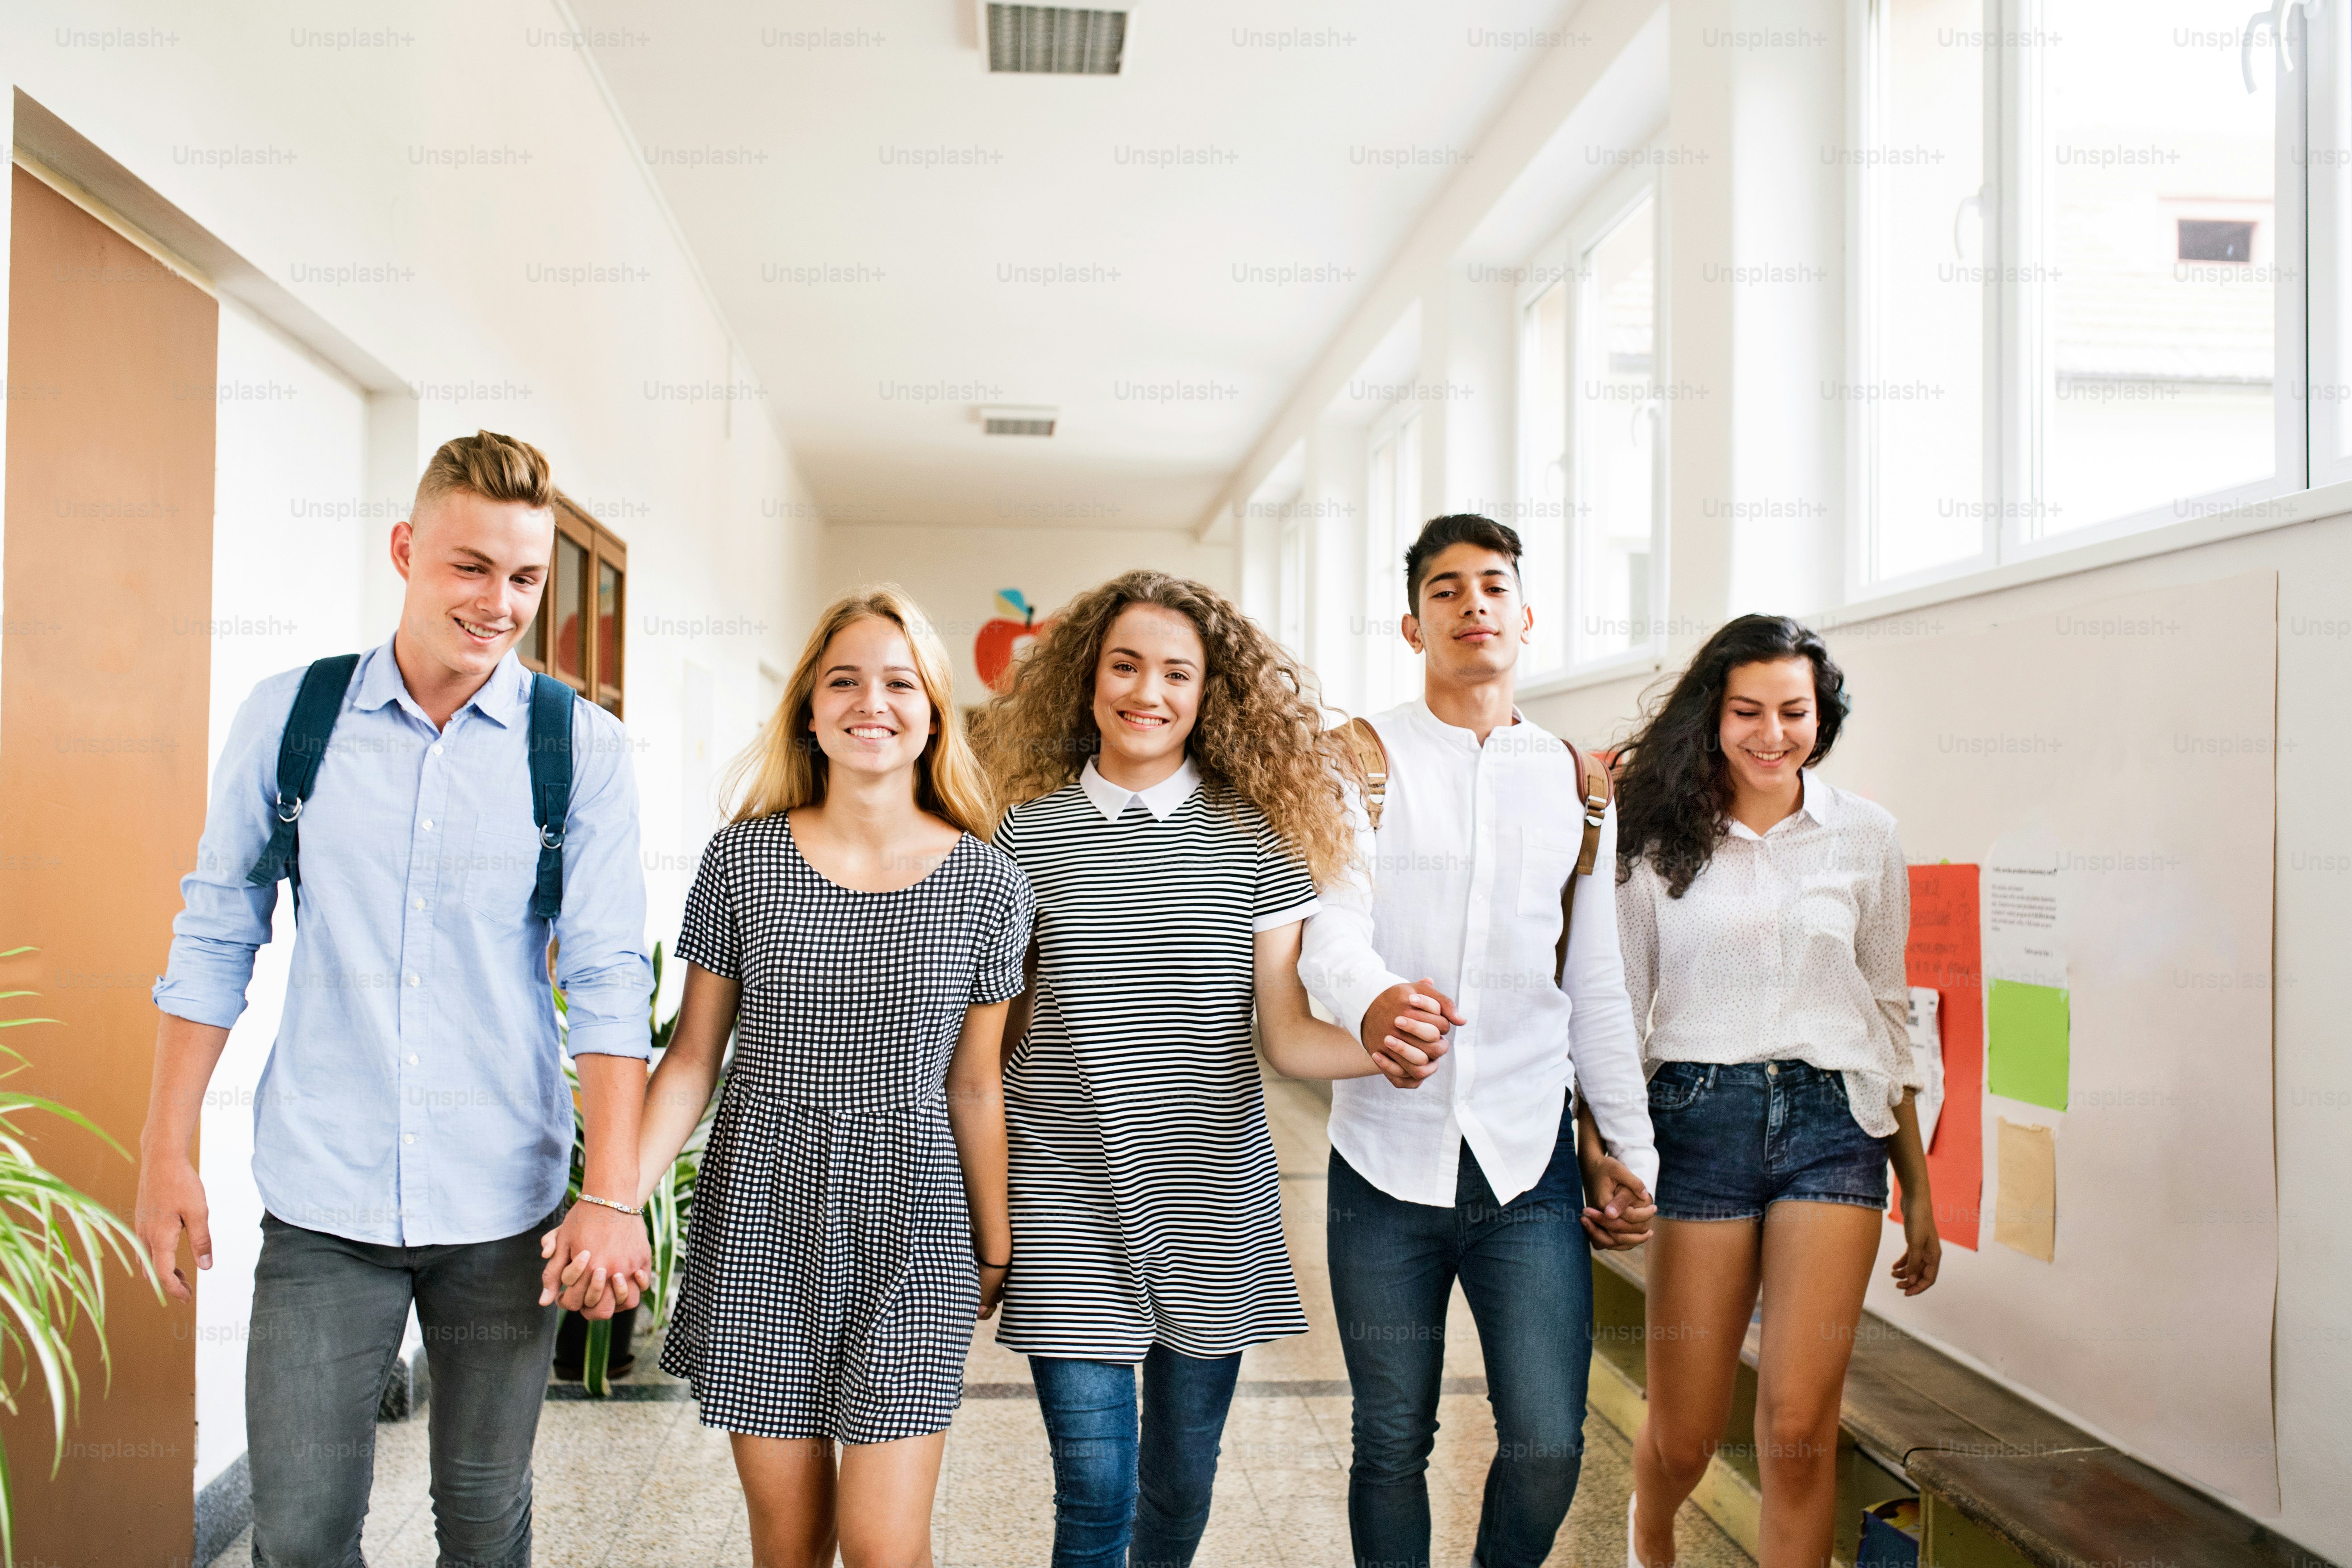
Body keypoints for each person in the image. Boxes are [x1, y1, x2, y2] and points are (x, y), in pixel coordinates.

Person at [134, 430, 653, 1567]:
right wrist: (165, 1148)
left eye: (525, 577)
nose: (501, 602)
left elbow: (613, 977)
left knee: (482, 1519)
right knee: (303, 1532)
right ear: (407, 549)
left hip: (503, 1206)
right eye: (472, 567)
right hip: (326, 1200)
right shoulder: (293, 718)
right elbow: (218, 930)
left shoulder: (580, 749)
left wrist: (611, 1192)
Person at [614, 586, 1033, 1568]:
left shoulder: (988, 881)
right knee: (791, 1543)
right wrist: (617, 1197)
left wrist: (997, 1238)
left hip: (917, 1218)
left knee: (887, 1546)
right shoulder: (742, 860)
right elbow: (691, 1060)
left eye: (899, 682)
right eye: (843, 680)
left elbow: (976, 1084)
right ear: (808, 706)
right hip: (760, 1210)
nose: (870, 702)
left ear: (933, 712)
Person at [972, 570, 1378, 1568]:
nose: (1147, 691)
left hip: (1209, 1202)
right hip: (1063, 1193)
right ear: (1087, 681)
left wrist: (1388, 1046)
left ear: (1209, 694)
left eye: (1175, 672)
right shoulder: (1021, 835)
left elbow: (1284, 1035)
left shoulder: (1256, 841)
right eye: (1125, 664)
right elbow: (990, 1041)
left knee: (1181, 1485)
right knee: (1096, 1490)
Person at [1296, 513, 1659, 1568]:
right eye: (1446, 590)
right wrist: (1371, 1002)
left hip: (1528, 1163)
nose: (1472, 605)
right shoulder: (1361, 762)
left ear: (1527, 617)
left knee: (1548, 1441)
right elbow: (1333, 925)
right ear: (1414, 626)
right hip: (1382, 1161)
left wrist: (1629, 1150)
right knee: (1391, 1441)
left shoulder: (1581, 788)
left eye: (1493, 586)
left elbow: (1594, 981)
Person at [1611, 615, 1940, 1568]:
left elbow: (1886, 1011)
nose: (1771, 733)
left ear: (1821, 715)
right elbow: (1620, 1012)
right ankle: (1653, 1529)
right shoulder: (1650, 834)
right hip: (1695, 1122)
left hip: (1837, 1125)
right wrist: (1612, 1152)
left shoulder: (1865, 835)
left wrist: (1916, 1185)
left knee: (1798, 1431)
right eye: (1747, 710)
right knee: (1686, 1433)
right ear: (1712, 715)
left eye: (1793, 711)